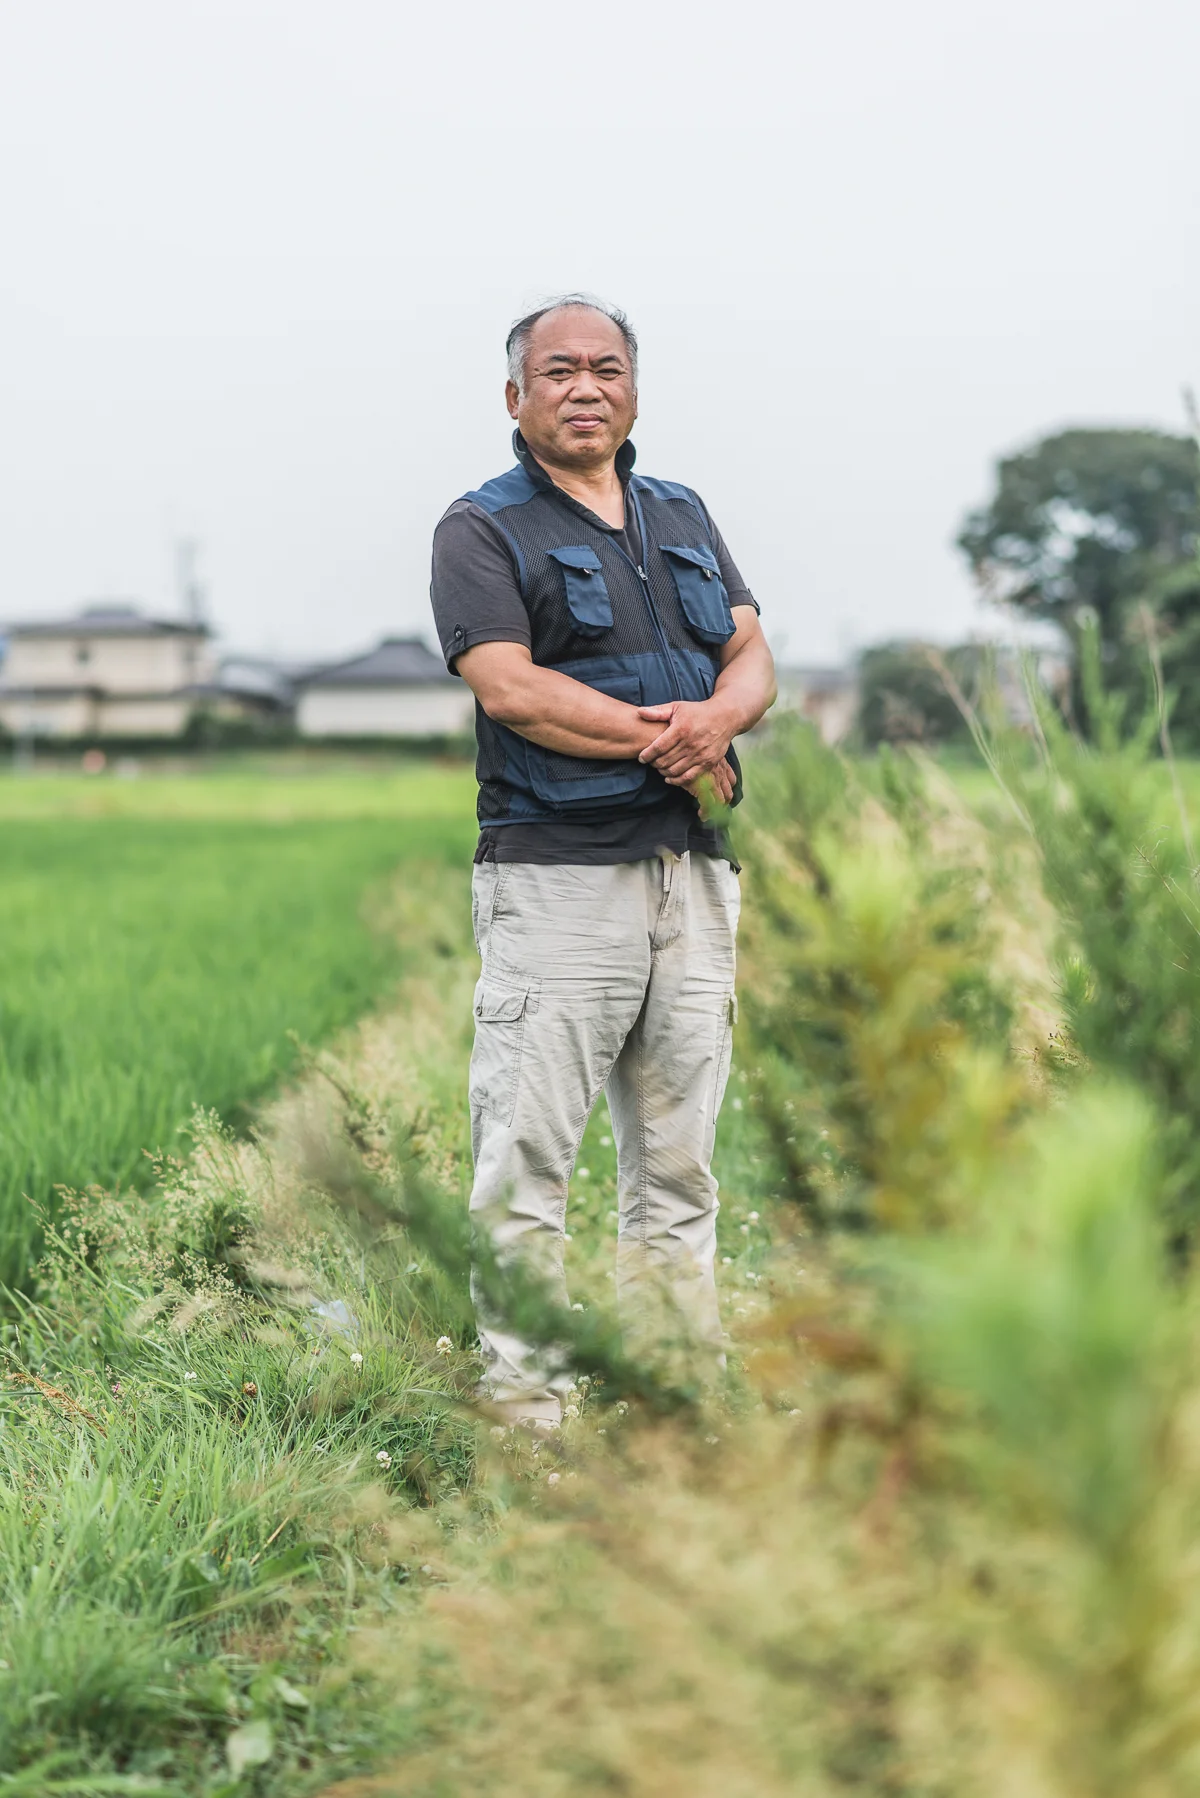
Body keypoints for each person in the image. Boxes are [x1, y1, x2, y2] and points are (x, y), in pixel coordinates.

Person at [429, 294, 776, 1426]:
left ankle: (675, 1393)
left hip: (694, 877)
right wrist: (679, 739)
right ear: (516, 395)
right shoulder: (482, 528)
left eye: (609, 367)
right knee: (527, 1159)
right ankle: (526, 1409)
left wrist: (716, 723)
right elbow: (510, 686)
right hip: (558, 876)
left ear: (635, 387)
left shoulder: (680, 508)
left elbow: (750, 652)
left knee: (679, 1166)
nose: (588, 386)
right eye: (561, 369)